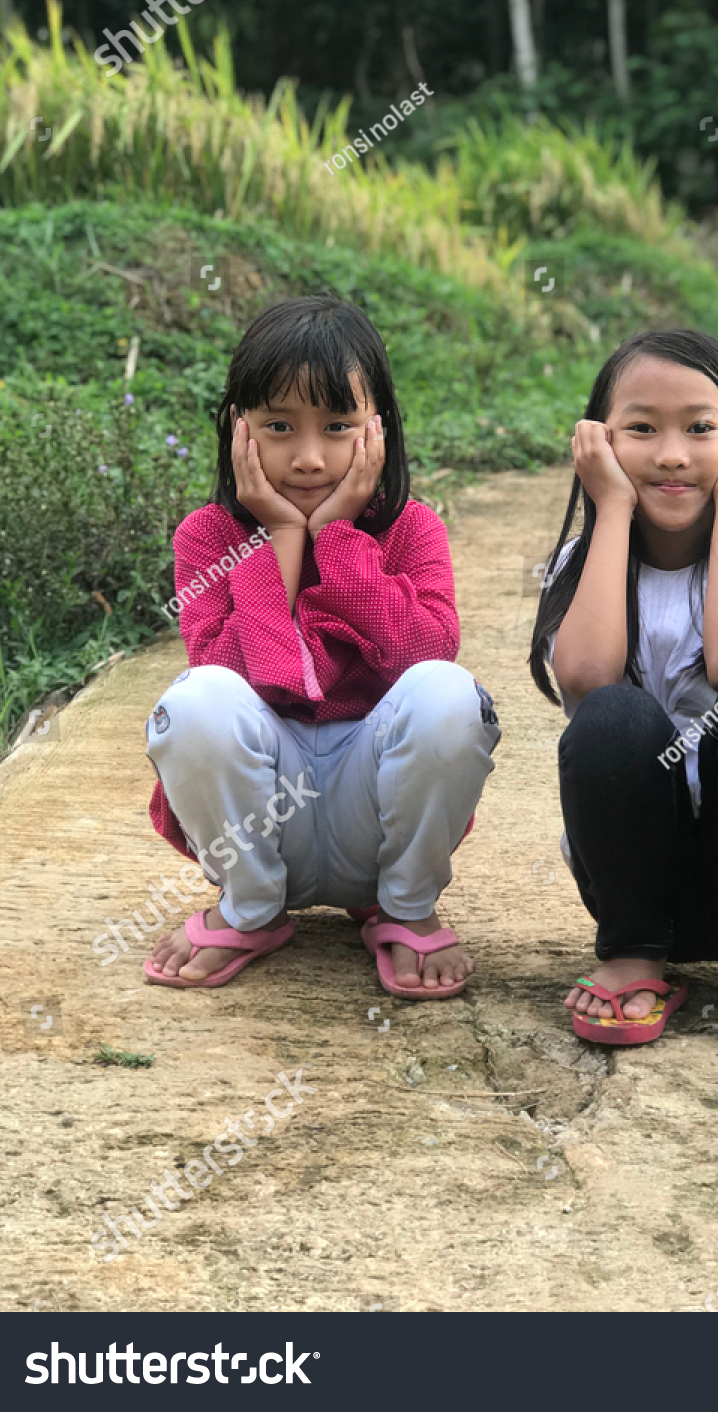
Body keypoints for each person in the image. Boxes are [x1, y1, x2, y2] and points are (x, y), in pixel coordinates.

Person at [143, 296, 500, 996]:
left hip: (378, 824)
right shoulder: (207, 537)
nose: (308, 459)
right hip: (261, 823)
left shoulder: (413, 530)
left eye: (337, 427)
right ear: (239, 429)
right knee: (193, 701)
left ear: (378, 429)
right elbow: (228, 674)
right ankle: (249, 907)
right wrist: (281, 536)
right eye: (279, 426)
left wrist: (336, 537)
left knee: (450, 694)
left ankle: (406, 906)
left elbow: (424, 652)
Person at [528, 328, 718, 1049]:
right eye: (641, 429)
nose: (671, 455)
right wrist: (611, 508)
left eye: (700, 429)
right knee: (611, 713)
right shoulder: (579, 561)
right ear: (597, 441)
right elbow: (585, 681)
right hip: (634, 886)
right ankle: (634, 955)